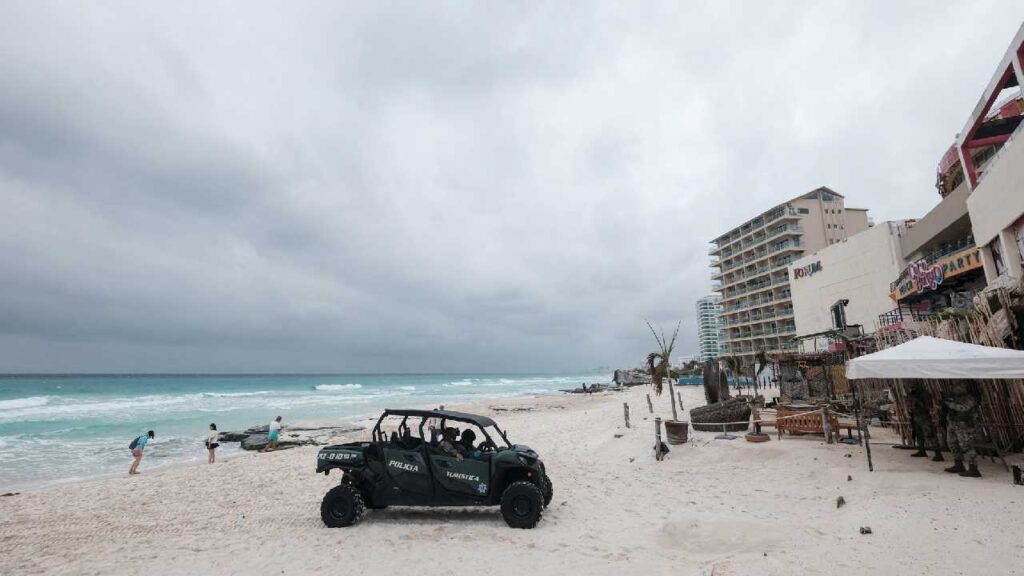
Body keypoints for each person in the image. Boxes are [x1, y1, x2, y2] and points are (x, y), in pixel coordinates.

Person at [943, 381, 981, 478]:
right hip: (954, 423)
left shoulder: (970, 398)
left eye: (958, 386)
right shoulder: (954, 397)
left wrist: (949, 404)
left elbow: (963, 408)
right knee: (952, 443)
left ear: (964, 387)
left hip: (965, 425)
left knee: (966, 446)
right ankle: (958, 465)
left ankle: (973, 469)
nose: (955, 388)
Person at [907, 383, 943, 461]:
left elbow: (928, 406)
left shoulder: (924, 394)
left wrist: (918, 401)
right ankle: (921, 451)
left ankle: (938, 454)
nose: (911, 389)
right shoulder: (911, 394)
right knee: (918, 435)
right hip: (915, 416)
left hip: (924, 417)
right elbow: (910, 405)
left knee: (930, 435)